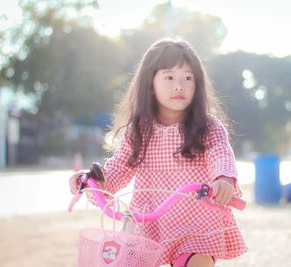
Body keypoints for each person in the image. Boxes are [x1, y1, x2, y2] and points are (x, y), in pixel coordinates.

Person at [69, 38, 247, 267]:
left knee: (194, 263)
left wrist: (223, 179)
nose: (179, 85)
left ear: (198, 85)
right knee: (125, 260)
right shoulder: (140, 130)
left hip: (197, 224)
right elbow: (119, 167)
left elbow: (220, 153)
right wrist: (93, 181)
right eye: (169, 77)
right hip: (149, 222)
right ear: (150, 84)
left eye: (188, 77)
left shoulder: (207, 128)